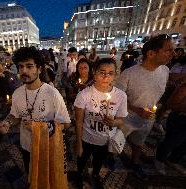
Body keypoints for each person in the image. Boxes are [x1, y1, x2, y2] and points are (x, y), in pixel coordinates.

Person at [0, 47, 71, 179]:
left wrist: (40, 127)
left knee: (48, 178)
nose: (24, 71)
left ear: (40, 69)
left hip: (47, 146)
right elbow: (15, 115)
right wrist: (7, 123)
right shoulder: (17, 93)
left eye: (29, 66)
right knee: (31, 176)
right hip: (26, 146)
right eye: (21, 66)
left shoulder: (52, 93)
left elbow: (65, 124)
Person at [116, 34, 174, 180]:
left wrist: (156, 109)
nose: (172, 54)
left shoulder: (165, 71)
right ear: (150, 53)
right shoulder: (129, 74)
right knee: (117, 141)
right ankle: (111, 157)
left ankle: (135, 163)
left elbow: (158, 92)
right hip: (126, 117)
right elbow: (117, 99)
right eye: (168, 50)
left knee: (139, 142)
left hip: (148, 118)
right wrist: (136, 110)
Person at [74, 58, 128, 189]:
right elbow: (79, 121)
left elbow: (121, 120)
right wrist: (79, 143)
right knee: (82, 159)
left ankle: (96, 175)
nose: (106, 76)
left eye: (110, 73)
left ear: (115, 75)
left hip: (105, 139)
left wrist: (114, 121)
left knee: (99, 161)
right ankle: (79, 175)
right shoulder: (84, 95)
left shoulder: (121, 96)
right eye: (102, 72)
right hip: (87, 138)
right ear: (94, 72)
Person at [155, 82, 186, 175]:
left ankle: (173, 160)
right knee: (172, 141)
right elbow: (171, 103)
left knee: (184, 145)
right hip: (180, 119)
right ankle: (159, 160)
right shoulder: (184, 87)